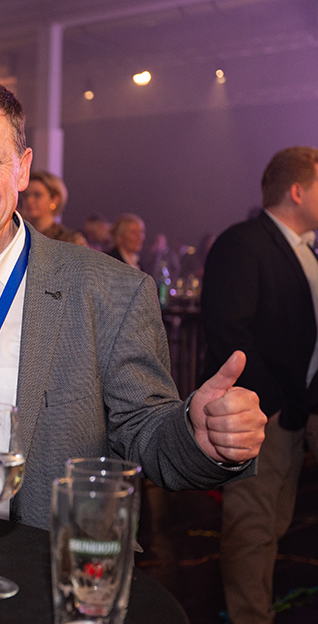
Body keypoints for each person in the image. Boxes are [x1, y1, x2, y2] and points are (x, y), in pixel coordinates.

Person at [0, 78, 266, 529]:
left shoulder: (111, 291)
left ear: (22, 169)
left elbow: (144, 430)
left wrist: (197, 439)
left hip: (44, 560)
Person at [200, 146, 318, 624]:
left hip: (299, 408)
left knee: (276, 521)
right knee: (252, 525)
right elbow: (228, 331)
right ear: (298, 191)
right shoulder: (243, 242)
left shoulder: (306, 249)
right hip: (260, 411)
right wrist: (272, 402)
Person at [18, 170, 86, 246]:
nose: (29, 200)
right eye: (25, 195)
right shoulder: (17, 236)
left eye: (37, 195)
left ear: (55, 200)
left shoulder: (70, 240)